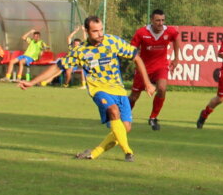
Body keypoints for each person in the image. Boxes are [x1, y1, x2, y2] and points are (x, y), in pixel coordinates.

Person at [17, 14, 149, 162]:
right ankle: (128, 152)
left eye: (101, 30)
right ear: (86, 31)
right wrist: (32, 82)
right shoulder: (80, 51)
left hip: (118, 89)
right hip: (98, 90)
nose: (100, 34)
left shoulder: (112, 42)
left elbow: (136, 57)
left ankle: (94, 153)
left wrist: (148, 83)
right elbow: (57, 66)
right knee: (113, 111)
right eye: (95, 31)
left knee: (125, 129)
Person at [129, 8, 182, 129]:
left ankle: (153, 118)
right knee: (134, 97)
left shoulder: (169, 31)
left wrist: (176, 58)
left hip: (161, 66)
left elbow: (176, 38)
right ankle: (124, 115)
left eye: (163, 20)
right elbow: (132, 49)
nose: (161, 23)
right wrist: (135, 61)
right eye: (158, 20)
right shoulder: (141, 32)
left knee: (162, 88)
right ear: (151, 20)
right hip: (143, 68)